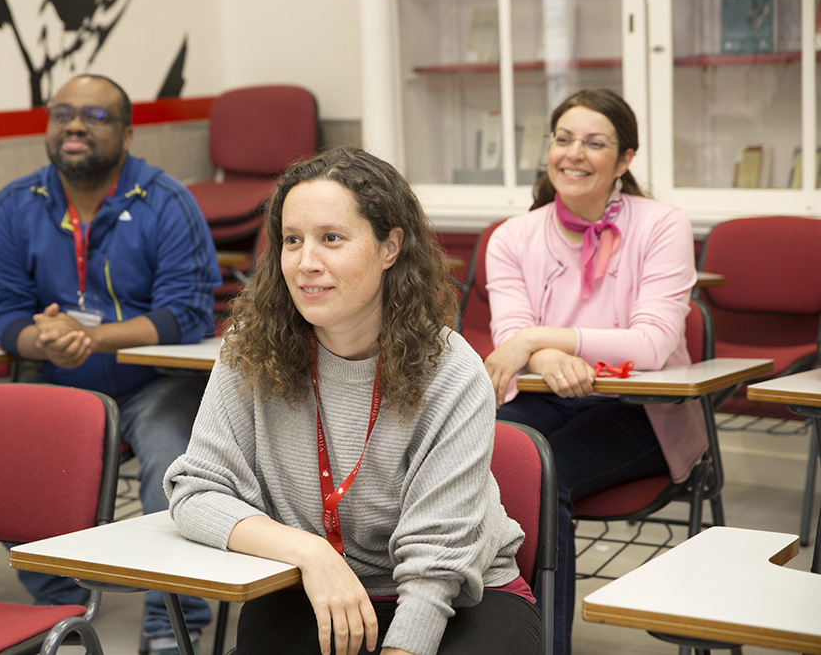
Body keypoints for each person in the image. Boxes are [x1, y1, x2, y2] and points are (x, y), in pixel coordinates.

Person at [164, 146, 543, 655]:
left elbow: (436, 562)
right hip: (309, 587)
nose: (306, 263)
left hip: (459, 597)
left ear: (390, 248)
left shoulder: (451, 369)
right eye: (292, 240)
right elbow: (195, 492)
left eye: (332, 239)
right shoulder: (251, 352)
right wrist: (310, 553)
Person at [0, 73, 220, 655]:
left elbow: (187, 314)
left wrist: (93, 338)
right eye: (62, 114)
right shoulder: (15, 205)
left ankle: (174, 619)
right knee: (4, 447)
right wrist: (45, 341)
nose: (76, 125)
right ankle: (59, 603)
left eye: (96, 116)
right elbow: (3, 310)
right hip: (58, 380)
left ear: (128, 134)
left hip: (157, 383)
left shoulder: (166, 201)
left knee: (172, 457)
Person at [483, 88, 707, 655]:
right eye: (563, 139)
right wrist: (543, 355)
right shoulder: (512, 236)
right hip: (547, 395)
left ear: (625, 159)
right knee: (484, 454)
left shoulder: (662, 225)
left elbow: (652, 344)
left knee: (543, 474)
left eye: (595, 143)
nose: (574, 153)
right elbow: (511, 333)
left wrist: (535, 339)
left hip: (642, 409)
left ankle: (544, 647)